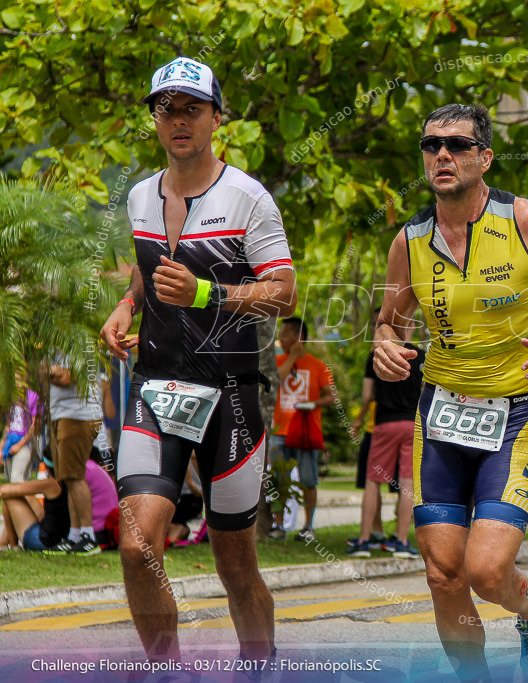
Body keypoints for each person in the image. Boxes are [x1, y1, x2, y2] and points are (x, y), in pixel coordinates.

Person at [373, 104, 528, 681]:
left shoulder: (527, 221)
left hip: (515, 410)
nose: (441, 155)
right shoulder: (410, 239)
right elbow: (388, 320)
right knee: (441, 574)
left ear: (484, 156)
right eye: (430, 146)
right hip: (442, 411)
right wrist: (384, 345)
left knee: (486, 572)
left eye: (455, 144)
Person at [99, 56, 295, 664]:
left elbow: (284, 293)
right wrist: (127, 306)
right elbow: (149, 269)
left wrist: (209, 293)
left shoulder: (248, 197)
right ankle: (165, 671)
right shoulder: (138, 197)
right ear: (155, 120)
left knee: (236, 565)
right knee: (137, 546)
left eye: (192, 108)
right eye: (166, 108)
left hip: (232, 397)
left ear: (216, 117)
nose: (178, 119)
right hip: (158, 390)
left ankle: (258, 671)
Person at [348, 339, 425, 559]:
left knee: (373, 481)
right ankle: (400, 541)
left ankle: (363, 541)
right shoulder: (420, 355)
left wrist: (359, 420)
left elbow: (368, 396)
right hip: (411, 423)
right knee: (407, 482)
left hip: (384, 423)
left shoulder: (377, 354)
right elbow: (425, 392)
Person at [269, 316, 336, 542]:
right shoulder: (278, 362)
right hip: (279, 431)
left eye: (285, 333)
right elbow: (276, 382)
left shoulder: (317, 365)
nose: (281, 338)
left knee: (309, 480)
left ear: (299, 336)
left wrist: (313, 404)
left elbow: (331, 397)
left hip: (306, 431)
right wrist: (293, 358)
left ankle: (308, 526)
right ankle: (278, 524)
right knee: (279, 479)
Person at [48, 357, 103, 553]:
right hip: (61, 414)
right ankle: (75, 535)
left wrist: (46, 369)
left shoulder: (78, 338)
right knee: (69, 479)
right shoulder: (52, 342)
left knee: (75, 477)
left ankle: (89, 537)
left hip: (78, 416)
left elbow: (67, 377)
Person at [0, 452, 68, 552]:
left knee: (10, 497)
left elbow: (4, 491)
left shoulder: (51, 483)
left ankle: (10, 545)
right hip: (61, 536)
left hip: (41, 541)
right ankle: (5, 544)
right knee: (27, 497)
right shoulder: (71, 482)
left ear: (46, 467)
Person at [2, 375, 40, 484]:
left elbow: (35, 425)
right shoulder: (11, 398)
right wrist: (2, 446)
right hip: (10, 443)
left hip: (25, 443)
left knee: (16, 479)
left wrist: (20, 444)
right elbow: (8, 425)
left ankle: (32, 501)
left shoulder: (32, 397)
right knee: (12, 481)